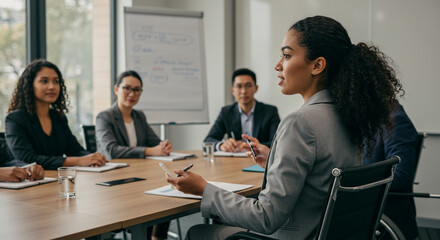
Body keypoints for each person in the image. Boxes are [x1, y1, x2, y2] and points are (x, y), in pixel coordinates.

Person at [166, 16, 404, 239]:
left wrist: (204, 189)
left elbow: (266, 217)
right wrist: (275, 158)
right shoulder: (346, 115)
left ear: (317, 65)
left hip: (292, 234)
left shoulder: (300, 122)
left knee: (200, 232)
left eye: (287, 56)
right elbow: (321, 172)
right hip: (325, 231)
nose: (278, 65)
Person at [95, 70, 172, 240]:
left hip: (140, 176)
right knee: (150, 203)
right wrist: (149, 151)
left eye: (137, 90)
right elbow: (111, 151)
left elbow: (154, 141)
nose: (132, 94)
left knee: (167, 195)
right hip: (116, 182)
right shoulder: (105, 117)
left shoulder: (139, 116)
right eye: (127, 88)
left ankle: (157, 237)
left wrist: (162, 145)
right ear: (116, 89)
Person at [5, 59, 106, 170]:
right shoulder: (15, 119)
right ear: (30, 85)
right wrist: (79, 160)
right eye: (44, 81)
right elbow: (27, 158)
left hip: (57, 179)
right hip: (30, 182)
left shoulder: (58, 117)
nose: (52, 86)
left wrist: (94, 158)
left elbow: (75, 150)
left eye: (56, 81)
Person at [364, 103, 419, 239]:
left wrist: (356, 183)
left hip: (384, 221)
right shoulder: (367, 119)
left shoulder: (395, 120)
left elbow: (400, 178)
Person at [204, 68, 280, 152]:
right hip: (234, 161)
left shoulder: (270, 112)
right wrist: (221, 145)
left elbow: (277, 142)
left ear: (256, 88)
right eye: (239, 86)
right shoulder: (226, 112)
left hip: (261, 160)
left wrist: (250, 146)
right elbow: (208, 140)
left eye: (248, 86)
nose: (244, 91)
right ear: (232, 90)